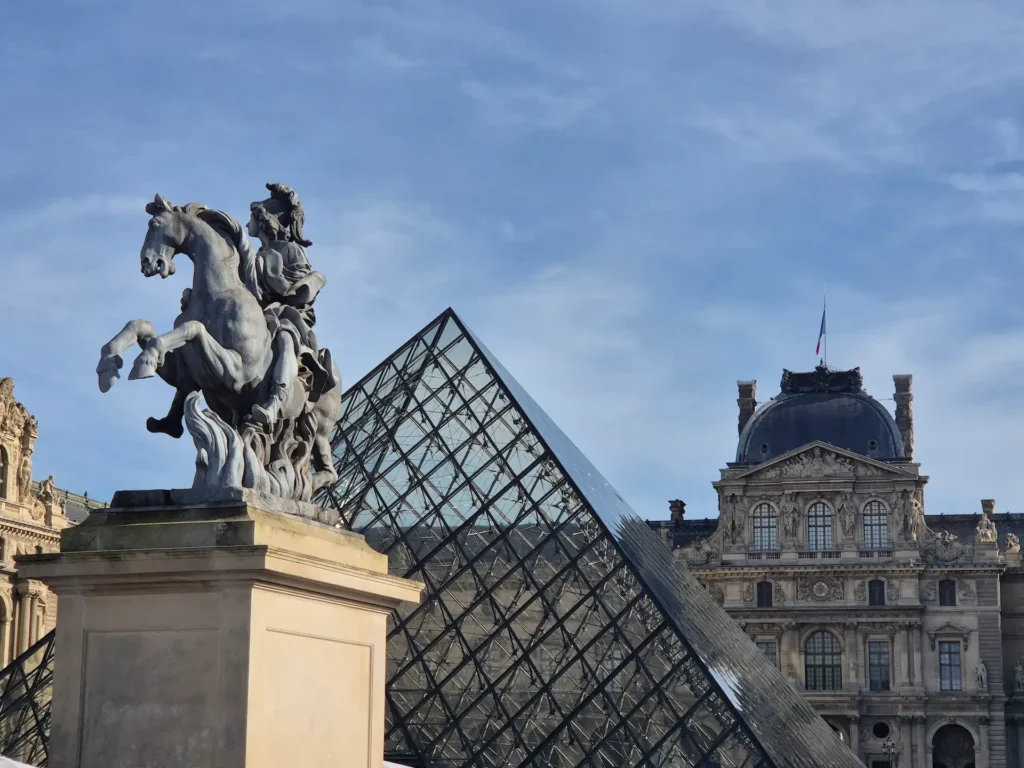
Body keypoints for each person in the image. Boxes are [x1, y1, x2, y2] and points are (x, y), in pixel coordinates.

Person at [245, 184, 337, 428]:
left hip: (289, 317)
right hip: (257, 315)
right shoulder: (251, 255)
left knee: (285, 339)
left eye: (251, 218)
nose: (246, 225)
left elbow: (301, 290)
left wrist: (279, 286)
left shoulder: (292, 250)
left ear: (263, 221)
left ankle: (276, 401)